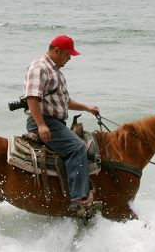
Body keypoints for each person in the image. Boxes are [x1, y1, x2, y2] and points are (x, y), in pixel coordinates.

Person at [23, 35, 99, 212]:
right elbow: (32, 98)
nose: (70, 58)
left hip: (54, 122)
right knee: (77, 147)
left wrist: (87, 108)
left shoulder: (55, 71)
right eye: (68, 54)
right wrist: (41, 125)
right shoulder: (39, 68)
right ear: (57, 50)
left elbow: (65, 101)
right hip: (45, 121)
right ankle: (78, 200)